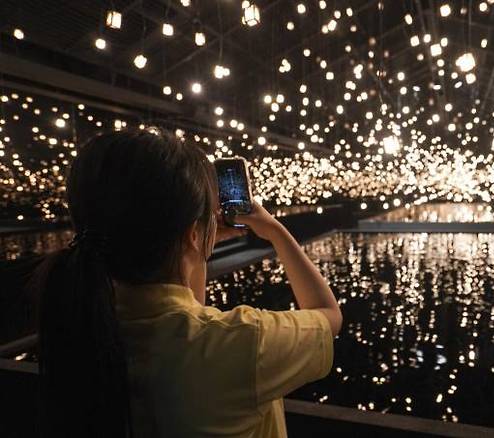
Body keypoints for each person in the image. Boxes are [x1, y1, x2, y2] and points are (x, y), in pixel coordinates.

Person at [32, 130, 342, 437]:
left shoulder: (77, 326)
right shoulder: (244, 341)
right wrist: (275, 231)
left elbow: (187, 316)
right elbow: (328, 315)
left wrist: (195, 248)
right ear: (192, 234)